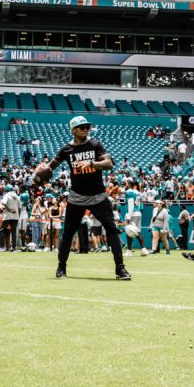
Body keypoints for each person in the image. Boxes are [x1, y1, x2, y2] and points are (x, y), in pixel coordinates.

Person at [35, 115, 130, 280]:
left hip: (98, 196)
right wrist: (41, 173)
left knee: (112, 230)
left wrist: (92, 164)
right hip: (77, 197)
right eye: (82, 127)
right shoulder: (66, 149)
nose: (86, 129)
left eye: (87, 127)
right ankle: (61, 268)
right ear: (73, 130)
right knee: (68, 233)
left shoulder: (95, 144)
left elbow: (109, 164)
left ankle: (120, 268)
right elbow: (50, 167)